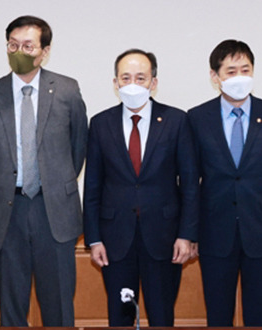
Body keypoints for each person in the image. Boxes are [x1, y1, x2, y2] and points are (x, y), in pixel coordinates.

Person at [0, 15, 88, 326]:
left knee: (60, 307)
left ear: (44, 51)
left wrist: (52, 181)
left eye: (28, 46)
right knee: (11, 308)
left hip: (55, 211)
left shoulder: (67, 90)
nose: (19, 51)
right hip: (8, 212)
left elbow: (77, 148)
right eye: (13, 44)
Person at [83, 49, 199, 326]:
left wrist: (187, 235)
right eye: (126, 77)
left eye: (140, 77)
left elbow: (191, 184)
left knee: (161, 317)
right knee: (121, 317)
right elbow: (93, 186)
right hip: (115, 240)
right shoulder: (100, 124)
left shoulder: (176, 121)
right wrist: (94, 238)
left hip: (165, 238)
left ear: (153, 82)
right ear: (115, 83)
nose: (133, 84)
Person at [188, 40, 262, 326]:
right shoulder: (197, 118)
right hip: (213, 232)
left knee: (259, 315)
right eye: (231, 70)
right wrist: (189, 232)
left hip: (261, 230)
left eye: (245, 70)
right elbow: (189, 182)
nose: (239, 77)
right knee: (218, 315)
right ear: (215, 76)